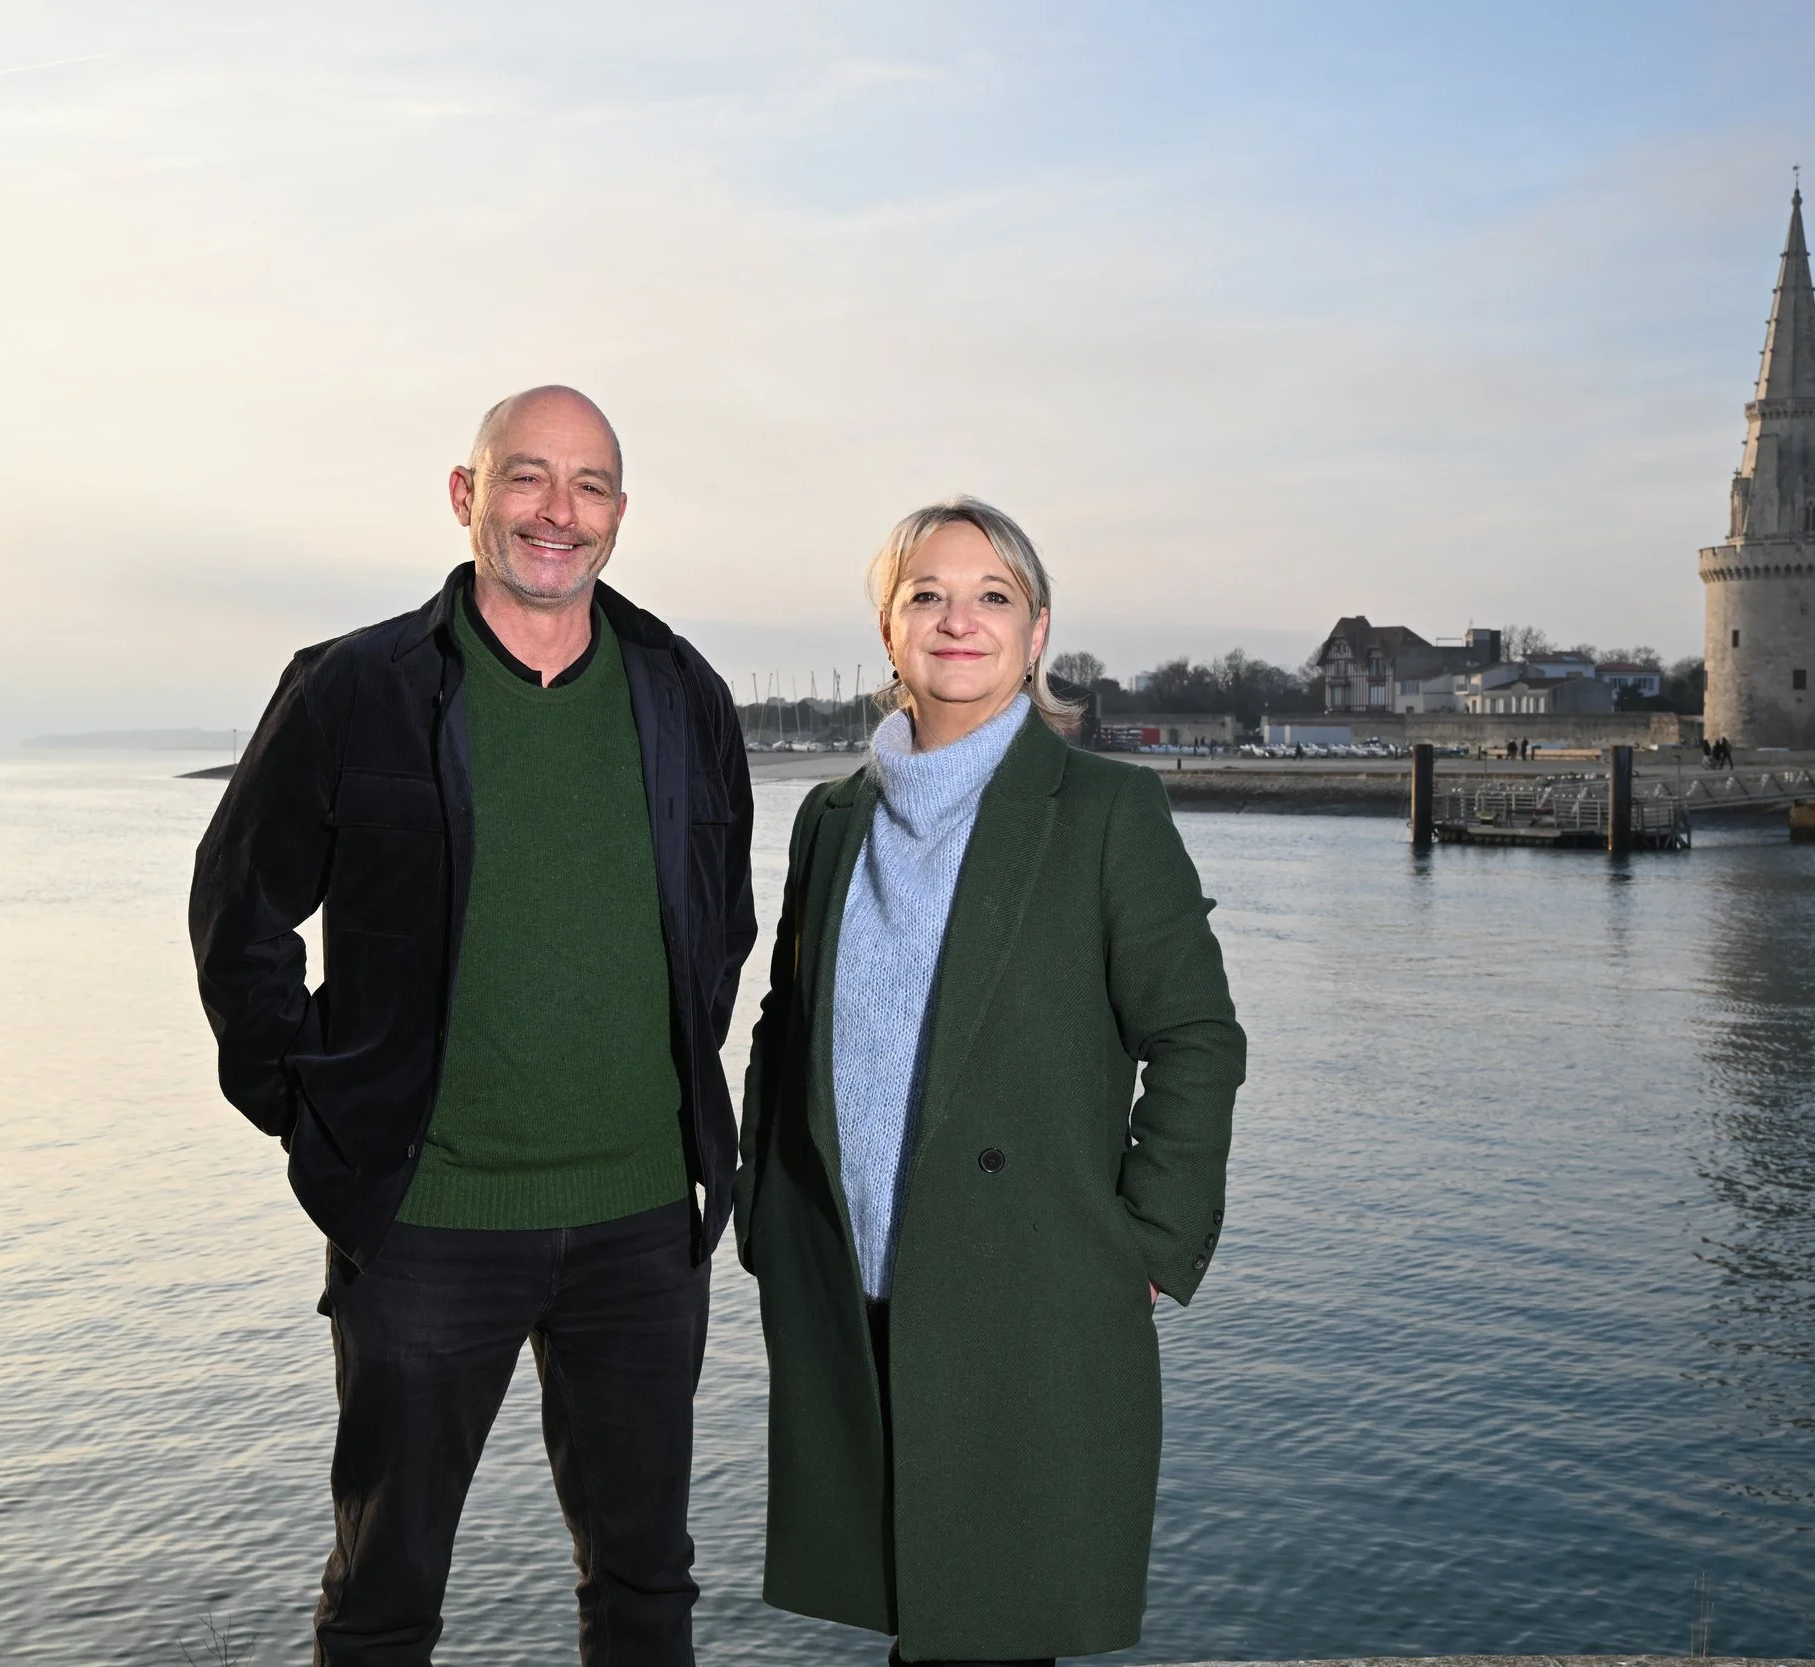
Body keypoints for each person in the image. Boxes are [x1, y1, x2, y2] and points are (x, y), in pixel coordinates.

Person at [188, 386, 754, 1667]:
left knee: (647, 1587)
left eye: (591, 485)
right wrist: (317, 1102)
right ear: (466, 494)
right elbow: (241, 913)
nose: (559, 511)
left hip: (639, 1224)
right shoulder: (354, 687)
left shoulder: (681, 690)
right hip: (427, 1218)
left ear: (619, 514)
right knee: (385, 1594)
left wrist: (653, 1089)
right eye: (528, 478)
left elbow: (718, 923)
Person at [735, 497, 1244, 1664]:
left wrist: (1150, 1239)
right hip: (848, 1283)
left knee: (991, 1627)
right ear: (887, 629)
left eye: (991, 596)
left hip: (1024, 1291)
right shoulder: (830, 817)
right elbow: (783, 1020)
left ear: (1036, 630)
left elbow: (1197, 1034)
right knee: (918, 1612)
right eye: (928, 594)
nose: (958, 620)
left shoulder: (1108, 810)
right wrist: (767, 1205)